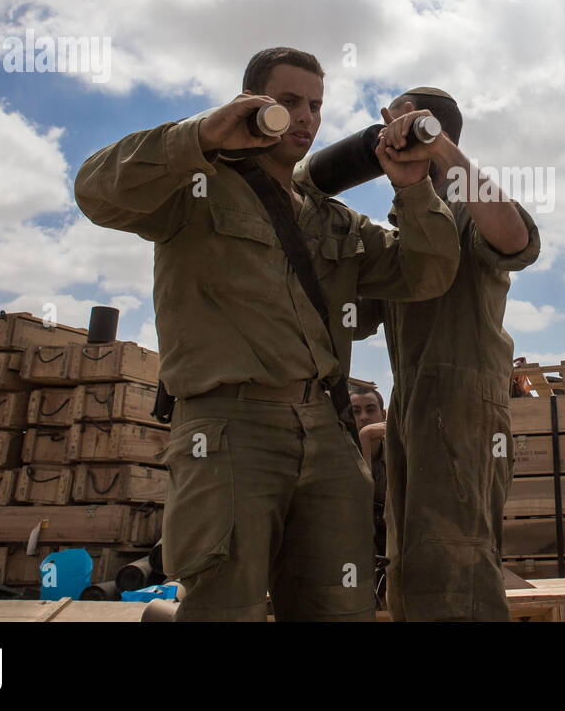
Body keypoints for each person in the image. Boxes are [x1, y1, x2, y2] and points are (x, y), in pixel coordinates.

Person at [74, 48, 460, 621]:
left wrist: (411, 189)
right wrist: (200, 135)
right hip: (229, 430)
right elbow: (95, 190)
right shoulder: (197, 188)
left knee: (341, 606)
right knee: (227, 606)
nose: (305, 117)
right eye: (288, 102)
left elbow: (426, 274)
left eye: (316, 105)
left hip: (328, 432)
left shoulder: (334, 220)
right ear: (251, 102)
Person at [324, 87, 540, 621]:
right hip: (411, 402)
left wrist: (439, 148)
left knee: (457, 563)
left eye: (397, 125)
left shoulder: (469, 206)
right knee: (412, 561)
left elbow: (515, 240)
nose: (385, 135)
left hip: (464, 399)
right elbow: (356, 318)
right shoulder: (408, 225)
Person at [348, 380, 388, 598]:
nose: (363, 417)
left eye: (370, 410)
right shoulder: (341, 456)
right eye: (356, 411)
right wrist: (364, 438)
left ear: (382, 415)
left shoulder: (397, 454)